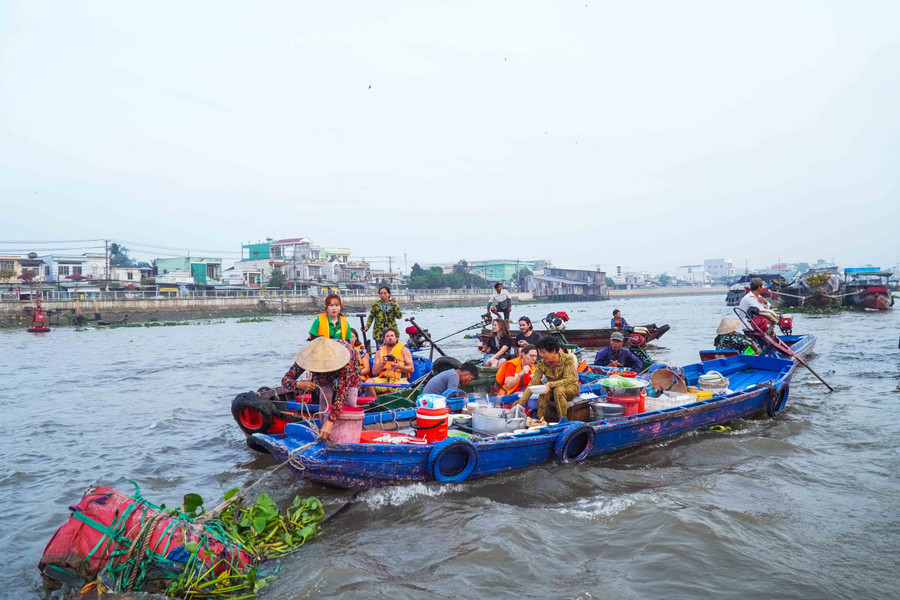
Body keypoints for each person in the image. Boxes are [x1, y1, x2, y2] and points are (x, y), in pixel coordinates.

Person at [281, 337, 361, 441]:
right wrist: (298, 384)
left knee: (349, 402)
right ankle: (324, 434)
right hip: (323, 377)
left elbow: (341, 394)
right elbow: (285, 380)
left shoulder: (346, 359)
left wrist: (331, 421)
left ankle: (346, 435)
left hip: (350, 369)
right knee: (325, 401)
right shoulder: (308, 357)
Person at [515, 336, 580, 421]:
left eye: (543, 352)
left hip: (570, 388)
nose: (541, 355)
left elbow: (568, 379)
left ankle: (563, 419)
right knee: (543, 391)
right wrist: (521, 404)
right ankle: (540, 419)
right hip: (551, 388)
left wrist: (551, 384)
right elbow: (533, 383)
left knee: (558, 390)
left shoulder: (567, 359)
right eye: (540, 352)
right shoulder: (542, 363)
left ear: (553, 351)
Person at [369, 328, 415, 393]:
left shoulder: (404, 350)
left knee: (405, 388)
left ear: (396, 338)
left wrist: (399, 367)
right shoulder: (379, 352)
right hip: (384, 380)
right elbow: (374, 372)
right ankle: (373, 402)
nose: (390, 338)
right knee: (369, 382)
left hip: (399, 380)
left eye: (392, 336)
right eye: (387, 336)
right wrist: (382, 364)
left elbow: (411, 369)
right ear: (384, 340)